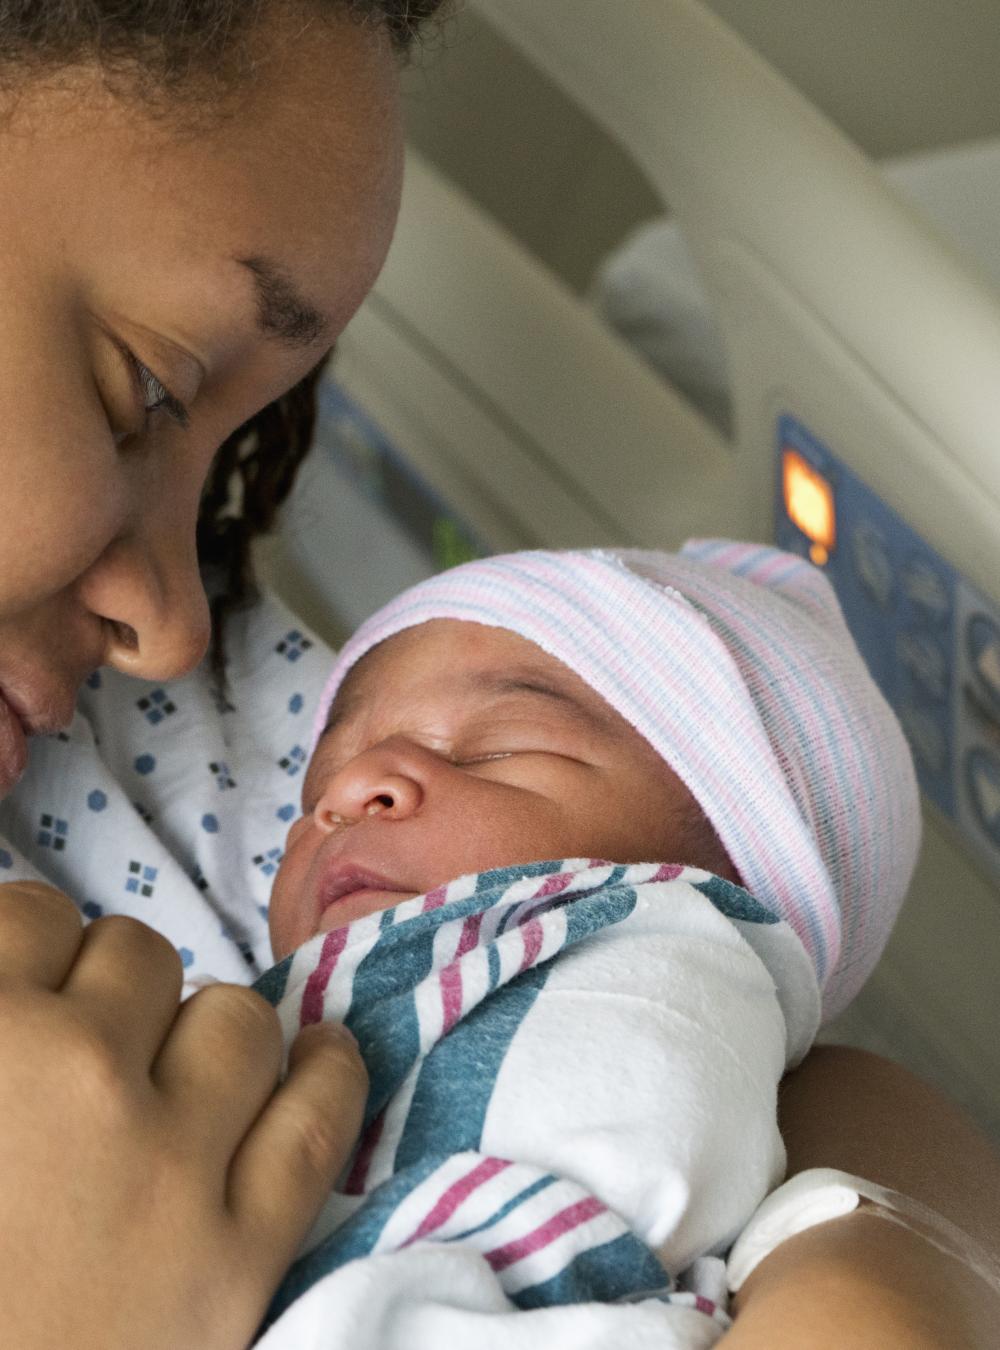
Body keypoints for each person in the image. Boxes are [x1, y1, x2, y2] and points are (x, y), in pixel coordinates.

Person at [0, 2, 996, 1346]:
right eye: (152, 392)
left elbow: (785, 1040)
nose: (168, 623)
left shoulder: (147, 746)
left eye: (227, 451)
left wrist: (874, 1257)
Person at [243, 541, 918, 1345]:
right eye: (319, 789)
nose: (350, 792)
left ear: (726, 884)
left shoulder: (653, 985)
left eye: (499, 750)